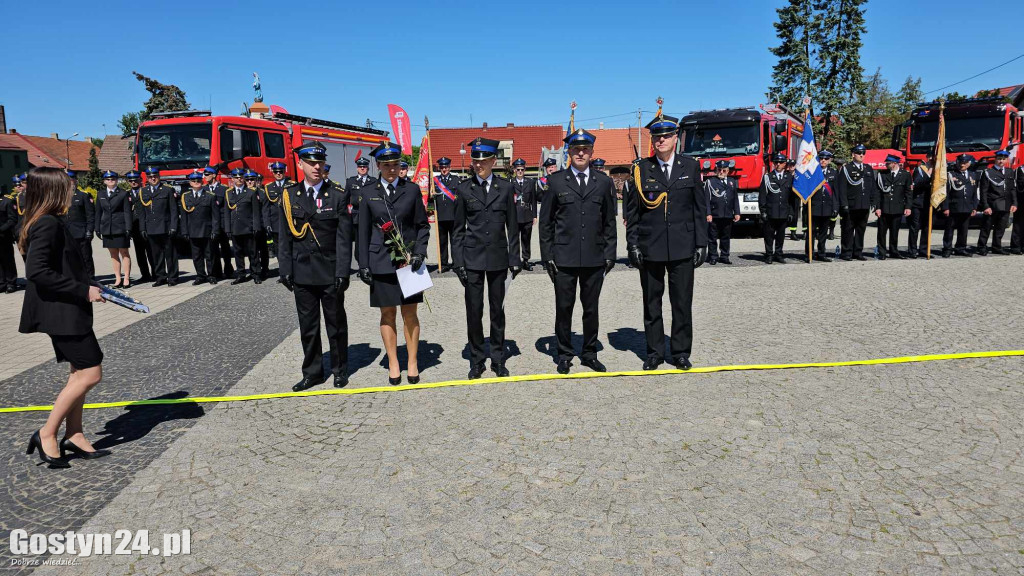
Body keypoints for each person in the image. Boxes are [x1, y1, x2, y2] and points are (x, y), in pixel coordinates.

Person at [19, 167, 110, 469]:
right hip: (62, 312)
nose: (72, 191)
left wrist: (90, 285)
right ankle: (46, 433)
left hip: (68, 310)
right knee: (90, 374)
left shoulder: (50, 220)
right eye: (68, 186)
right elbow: (37, 272)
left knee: (79, 373)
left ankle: (75, 434)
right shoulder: (46, 223)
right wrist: (83, 291)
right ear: (53, 191)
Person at [626, 115, 706, 371]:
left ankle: (681, 352)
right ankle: (654, 352)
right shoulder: (641, 169)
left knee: (682, 302)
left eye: (666, 136)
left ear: (675, 138)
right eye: (657, 136)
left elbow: (698, 208)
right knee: (652, 303)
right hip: (651, 246)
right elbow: (633, 212)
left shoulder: (690, 167)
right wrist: (633, 245)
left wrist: (701, 243)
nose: (661, 140)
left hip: (683, 245)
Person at [540, 128, 616, 374]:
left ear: (592, 152)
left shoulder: (603, 182)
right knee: (564, 307)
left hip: (594, 257)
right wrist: (547, 256)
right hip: (564, 258)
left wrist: (610, 254)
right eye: (576, 149)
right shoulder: (556, 181)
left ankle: (589, 352)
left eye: (585, 149)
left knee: (591, 308)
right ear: (569, 152)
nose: (581, 153)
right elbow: (546, 223)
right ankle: (564, 353)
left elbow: (609, 222)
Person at [279, 141, 353, 391]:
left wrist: (343, 272)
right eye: (310, 162)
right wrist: (285, 269)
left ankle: (340, 370)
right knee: (308, 327)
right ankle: (312, 373)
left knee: (336, 325)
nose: (316, 167)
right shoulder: (289, 196)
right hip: (302, 272)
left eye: (319, 162)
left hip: (330, 271)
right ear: (300, 164)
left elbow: (344, 239)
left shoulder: (337, 195)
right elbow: (284, 237)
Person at [357, 141, 430, 385]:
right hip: (380, 262)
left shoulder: (411, 191)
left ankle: (412, 361)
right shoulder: (368, 192)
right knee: (387, 313)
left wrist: (420, 252)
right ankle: (393, 362)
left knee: (410, 314)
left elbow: (421, 226)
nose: (391, 169)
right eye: (386, 165)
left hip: (408, 263)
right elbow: (363, 231)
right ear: (378, 165)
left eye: (395, 164)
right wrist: (363, 264)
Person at [452, 138, 521, 379]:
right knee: (474, 310)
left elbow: (513, 227)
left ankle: (498, 358)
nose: (478, 165)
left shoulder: (506, 188)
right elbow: (458, 230)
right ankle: (477, 359)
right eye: (475, 161)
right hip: (472, 258)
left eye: (483, 161)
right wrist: (458, 262)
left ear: (493, 161)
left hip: (498, 258)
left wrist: (515, 257)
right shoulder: (463, 189)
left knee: (497, 310)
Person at [139, 167, 179, 286]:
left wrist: (173, 226)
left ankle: (173, 277)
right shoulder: (143, 191)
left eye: (155, 176)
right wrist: (142, 228)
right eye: (150, 177)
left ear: (159, 176)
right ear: (147, 178)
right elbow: (142, 212)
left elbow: (173, 210)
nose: (153, 178)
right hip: (151, 227)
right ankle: (160, 277)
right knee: (156, 255)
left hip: (166, 227)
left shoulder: (167, 190)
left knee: (170, 254)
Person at [223, 167, 263, 284]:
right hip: (235, 227)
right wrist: (227, 228)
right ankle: (241, 274)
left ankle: (256, 273)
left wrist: (256, 226)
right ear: (233, 179)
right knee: (237, 252)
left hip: (248, 226)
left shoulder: (251, 192)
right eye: (236, 177)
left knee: (253, 252)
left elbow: (255, 211)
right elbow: (226, 212)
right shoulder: (229, 193)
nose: (239, 179)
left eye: (241, 177)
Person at [179, 170, 220, 285]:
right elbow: (184, 217)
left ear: (202, 182)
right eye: (193, 181)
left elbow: (215, 216)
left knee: (209, 255)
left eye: (198, 180)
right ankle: (200, 275)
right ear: (190, 183)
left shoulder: (210, 196)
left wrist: (215, 230)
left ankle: (211, 275)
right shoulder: (185, 197)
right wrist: (184, 231)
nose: (196, 182)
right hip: (193, 230)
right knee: (196, 255)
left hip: (207, 230)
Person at [94, 170, 133, 288]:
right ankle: (117, 278)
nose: (110, 181)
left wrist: (128, 228)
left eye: (113, 179)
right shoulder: (100, 194)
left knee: (124, 253)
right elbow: (98, 212)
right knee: (113, 254)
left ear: (116, 180)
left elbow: (127, 212)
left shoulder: (123, 193)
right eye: (108, 179)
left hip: (120, 227)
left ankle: (126, 277)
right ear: (104, 181)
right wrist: (97, 228)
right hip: (107, 228)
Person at [837, 144, 875, 261]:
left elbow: (872, 187)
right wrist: (844, 204)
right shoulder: (847, 168)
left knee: (860, 229)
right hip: (851, 204)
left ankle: (858, 252)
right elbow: (842, 188)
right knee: (848, 229)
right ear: (853, 154)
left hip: (864, 205)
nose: (861, 155)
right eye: (859, 153)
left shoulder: (868, 168)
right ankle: (846, 252)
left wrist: (873, 202)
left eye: (863, 153)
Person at [977, 150, 1018, 255]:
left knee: (1001, 227)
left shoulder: (1010, 172)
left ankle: (997, 247)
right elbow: (983, 191)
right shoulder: (988, 172)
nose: (1001, 161)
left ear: (1007, 160)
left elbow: (1012, 189)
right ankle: (982, 246)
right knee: (986, 227)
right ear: (995, 159)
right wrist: (985, 206)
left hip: (1006, 204)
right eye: (999, 159)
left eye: (1004, 159)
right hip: (992, 205)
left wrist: (1014, 203)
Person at [872, 154, 912, 259]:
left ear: (894, 163)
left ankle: (894, 251)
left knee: (894, 232)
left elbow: (908, 192)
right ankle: (882, 252)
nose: (886, 164)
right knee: (881, 232)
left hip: (897, 208)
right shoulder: (882, 175)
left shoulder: (905, 175)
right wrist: (877, 207)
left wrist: (908, 207)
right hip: (884, 208)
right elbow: (877, 192)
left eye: (888, 163)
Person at [805, 150, 839, 261]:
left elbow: (835, 192)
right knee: (811, 232)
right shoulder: (812, 172)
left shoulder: (833, 173)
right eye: (821, 158)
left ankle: (821, 254)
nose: (823, 161)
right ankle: (809, 254)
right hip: (814, 206)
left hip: (827, 207)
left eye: (825, 159)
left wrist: (835, 207)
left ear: (829, 160)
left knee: (824, 233)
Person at [758, 152, 793, 264]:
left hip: (783, 211)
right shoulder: (767, 178)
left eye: (781, 162)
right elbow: (762, 196)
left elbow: (792, 198)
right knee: (768, 236)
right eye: (776, 162)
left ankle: (779, 254)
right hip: (770, 212)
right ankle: (769, 255)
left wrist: (792, 212)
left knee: (781, 236)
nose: (778, 164)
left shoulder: (789, 178)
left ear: (785, 164)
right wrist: (763, 211)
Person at [941, 154, 978, 257]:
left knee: (963, 230)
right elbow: (946, 193)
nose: (962, 165)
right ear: (957, 163)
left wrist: (974, 207)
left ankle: (961, 248)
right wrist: (945, 207)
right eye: (960, 163)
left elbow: (974, 193)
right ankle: (947, 249)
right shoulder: (951, 175)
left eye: (965, 163)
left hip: (967, 207)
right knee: (949, 229)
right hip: (954, 206)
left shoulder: (973, 175)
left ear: (969, 164)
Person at [705, 160, 740, 265]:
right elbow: (706, 200)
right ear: (716, 170)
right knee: (712, 237)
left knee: (726, 237)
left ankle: (725, 256)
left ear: (728, 171)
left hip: (727, 214)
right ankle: (713, 256)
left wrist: (737, 212)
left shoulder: (732, 181)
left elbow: (735, 199)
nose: (721, 172)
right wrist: (708, 213)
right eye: (719, 170)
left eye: (724, 170)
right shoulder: (710, 182)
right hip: (715, 214)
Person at [345, 156, 376, 270]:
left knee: (371, 240)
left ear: (368, 168)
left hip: (370, 216)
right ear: (357, 168)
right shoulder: (351, 181)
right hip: (356, 215)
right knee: (359, 243)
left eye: (365, 166)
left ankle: (371, 264)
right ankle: (361, 265)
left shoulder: (373, 181)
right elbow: (345, 199)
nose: (362, 168)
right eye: (360, 166)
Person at [63, 170, 95, 278]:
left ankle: (90, 278)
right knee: (70, 258)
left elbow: (90, 215)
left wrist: (90, 230)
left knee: (86, 258)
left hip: (81, 232)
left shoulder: (83, 196)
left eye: (70, 180)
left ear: (75, 181)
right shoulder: (60, 197)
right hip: (66, 233)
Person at [203, 167, 234, 280]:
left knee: (225, 249)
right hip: (210, 224)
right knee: (212, 250)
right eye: (204, 174)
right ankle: (216, 272)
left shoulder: (223, 189)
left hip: (222, 224)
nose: (205, 176)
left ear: (214, 175)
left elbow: (227, 208)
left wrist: (227, 226)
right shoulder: (204, 189)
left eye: (207, 174)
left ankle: (228, 270)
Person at [124, 171, 154, 283]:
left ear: (140, 180)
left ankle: (155, 273)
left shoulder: (146, 192)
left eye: (136, 180)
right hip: (135, 227)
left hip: (147, 225)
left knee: (151, 252)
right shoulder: (126, 194)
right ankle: (145, 275)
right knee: (140, 253)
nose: (133, 182)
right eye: (131, 181)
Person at [509, 158, 537, 271]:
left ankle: (525, 261)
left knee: (526, 239)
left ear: (525, 169)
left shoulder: (530, 182)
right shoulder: (510, 183)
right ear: (514, 170)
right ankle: (514, 262)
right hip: (514, 215)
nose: (520, 171)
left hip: (527, 215)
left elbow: (534, 200)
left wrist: (534, 215)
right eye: (518, 169)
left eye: (522, 169)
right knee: (514, 240)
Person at [431, 156, 458, 272]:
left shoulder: (456, 180)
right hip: (440, 216)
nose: (444, 169)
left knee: (455, 241)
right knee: (442, 242)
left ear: (450, 167)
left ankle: (457, 264)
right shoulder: (434, 181)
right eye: (442, 167)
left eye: (446, 167)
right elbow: (428, 200)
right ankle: (444, 264)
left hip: (453, 215)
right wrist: (431, 196)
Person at [263, 161, 292, 265]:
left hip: (290, 224)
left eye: (280, 171)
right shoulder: (268, 187)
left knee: (291, 248)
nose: (278, 174)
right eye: (276, 172)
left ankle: (293, 272)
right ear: (273, 173)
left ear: (284, 172)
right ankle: (283, 272)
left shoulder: (292, 185)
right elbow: (266, 208)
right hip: (275, 224)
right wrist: (267, 224)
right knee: (279, 249)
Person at [244, 169, 270, 280]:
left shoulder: (262, 193)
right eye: (248, 180)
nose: (250, 182)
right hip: (249, 226)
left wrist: (266, 225)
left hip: (261, 225)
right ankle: (254, 270)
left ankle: (264, 269)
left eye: (252, 180)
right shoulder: (243, 193)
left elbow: (265, 210)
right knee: (252, 250)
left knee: (263, 249)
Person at [908, 152, 935, 258]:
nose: (933, 159)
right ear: (927, 157)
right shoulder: (919, 169)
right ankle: (912, 250)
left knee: (927, 228)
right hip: (918, 203)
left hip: (929, 203)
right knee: (915, 227)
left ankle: (924, 250)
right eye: (932, 157)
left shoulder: (937, 170)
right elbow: (917, 182)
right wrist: (929, 173)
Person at [0, 183, 17, 292]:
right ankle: (1, 283)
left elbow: (12, 219)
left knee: (7, 260)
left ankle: (11, 282)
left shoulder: (7, 200)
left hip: (4, 236)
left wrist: (1, 229)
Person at [785, 158, 801, 240]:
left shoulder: (798, 175)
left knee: (794, 215)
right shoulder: (785, 175)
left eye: (792, 165)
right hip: (786, 198)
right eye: (789, 165)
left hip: (795, 198)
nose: (791, 167)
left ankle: (793, 232)